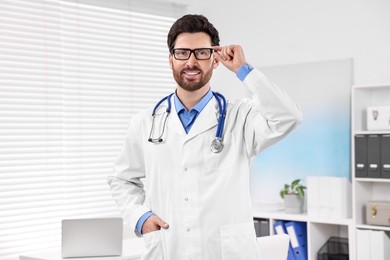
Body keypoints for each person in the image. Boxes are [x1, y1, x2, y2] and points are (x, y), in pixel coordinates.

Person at [108, 14, 302, 260]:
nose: (191, 62)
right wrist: (140, 218)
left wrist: (244, 70)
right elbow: (122, 180)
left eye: (201, 53)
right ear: (170, 60)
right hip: (169, 248)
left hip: (226, 253)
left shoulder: (240, 117)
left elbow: (289, 117)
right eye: (182, 53)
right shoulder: (145, 122)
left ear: (215, 60)